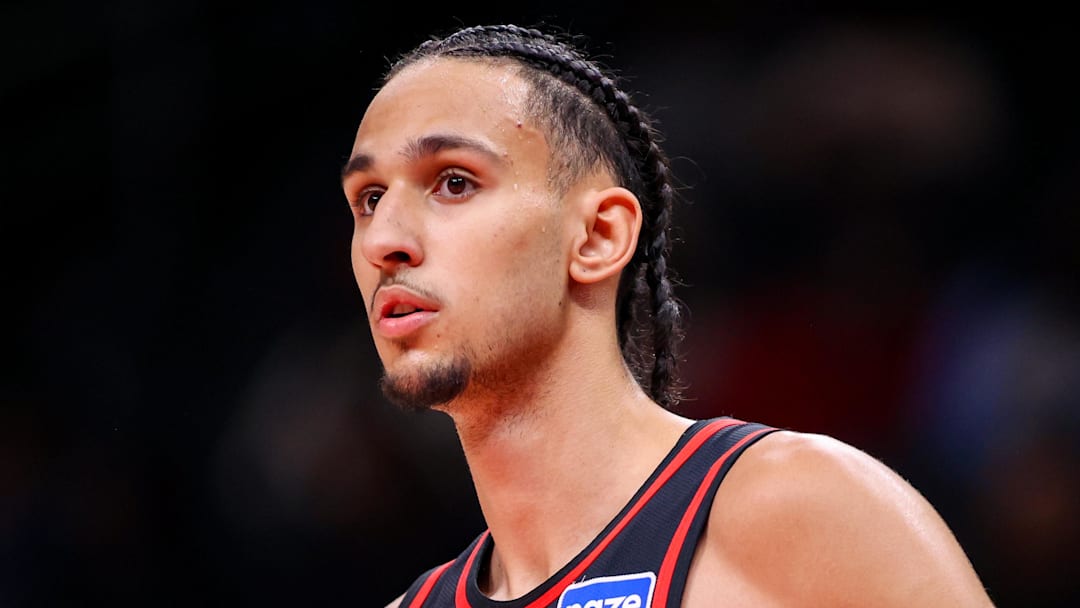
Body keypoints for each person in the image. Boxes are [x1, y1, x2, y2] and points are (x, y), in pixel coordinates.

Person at [339, 23, 995, 608]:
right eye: (368, 198)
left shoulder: (797, 508)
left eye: (455, 181)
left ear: (597, 237)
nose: (382, 239)